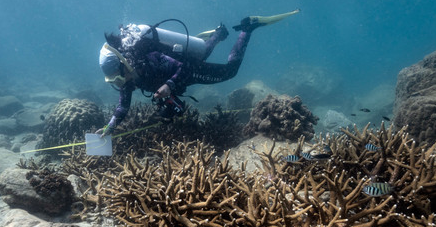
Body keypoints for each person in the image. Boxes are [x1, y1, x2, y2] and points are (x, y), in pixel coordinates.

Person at [97, 10, 299, 136]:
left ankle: (247, 28)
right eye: (113, 80)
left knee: (229, 72)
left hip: (185, 71)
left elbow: (186, 66)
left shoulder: (150, 61)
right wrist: (110, 127)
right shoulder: (129, 74)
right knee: (201, 53)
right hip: (183, 69)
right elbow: (123, 105)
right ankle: (219, 34)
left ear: (125, 63)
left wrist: (170, 85)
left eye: (118, 76)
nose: (119, 82)